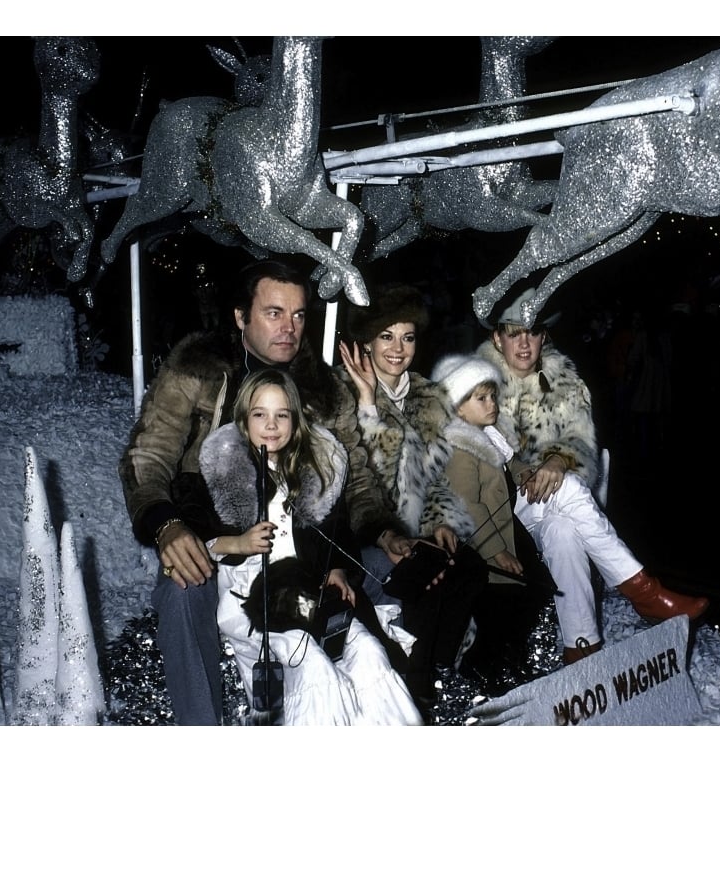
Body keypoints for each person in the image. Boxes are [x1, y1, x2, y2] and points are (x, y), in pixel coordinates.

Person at [118, 259, 415, 725]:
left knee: (400, 568)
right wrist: (167, 525)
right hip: (212, 538)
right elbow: (148, 456)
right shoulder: (199, 371)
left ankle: (398, 700)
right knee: (183, 590)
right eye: (274, 313)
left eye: (298, 315)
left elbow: (355, 474)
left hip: (306, 545)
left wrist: (383, 532)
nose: (289, 328)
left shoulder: (319, 386)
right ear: (240, 316)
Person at [476, 288, 709, 665]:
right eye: (513, 332)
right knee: (567, 487)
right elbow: (476, 459)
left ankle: (582, 649)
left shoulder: (564, 380)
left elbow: (581, 442)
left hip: (554, 505)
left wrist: (559, 458)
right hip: (501, 509)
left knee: (564, 531)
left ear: (544, 337)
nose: (524, 342)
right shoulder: (476, 383)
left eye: (533, 332)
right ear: (496, 337)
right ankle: (642, 589)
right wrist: (540, 469)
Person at [199, 369, 421, 724]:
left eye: (281, 415)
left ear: (294, 420)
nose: (271, 425)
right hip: (255, 601)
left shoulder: (308, 472)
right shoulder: (227, 472)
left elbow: (330, 533)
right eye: (260, 415)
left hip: (306, 591)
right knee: (313, 664)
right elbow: (203, 541)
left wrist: (334, 569)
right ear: (243, 421)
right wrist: (239, 542)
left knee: (368, 650)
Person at [337, 284, 487, 706]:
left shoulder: (427, 398)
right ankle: (413, 690)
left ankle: (439, 675)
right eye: (386, 336)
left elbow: (431, 479)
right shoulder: (341, 396)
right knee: (423, 573)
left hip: (414, 525)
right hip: (362, 529)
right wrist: (367, 404)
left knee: (467, 565)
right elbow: (363, 484)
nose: (398, 348)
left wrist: (439, 520)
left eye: (407, 337)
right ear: (366, 342)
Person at [429, 353, 558, 684]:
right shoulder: (460, 449)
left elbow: (506, 462)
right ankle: (483, 669)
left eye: (492, 397)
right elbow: (468, 504)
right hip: (485, 542)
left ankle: (512, 657)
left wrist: (522, 471)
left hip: (506, 529)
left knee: (534, 590)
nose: (492, 405)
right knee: (499, 609)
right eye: (481, 399)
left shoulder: (489, 436)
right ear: (458, 407)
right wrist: (494, 551)